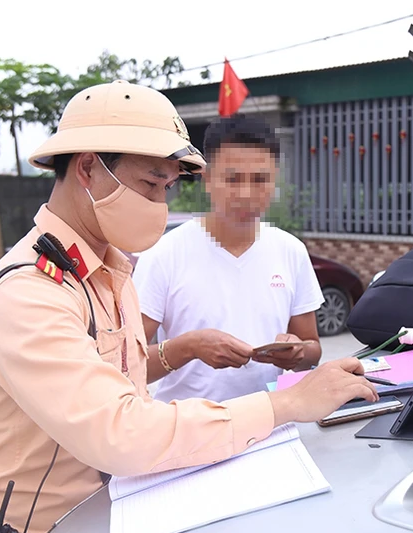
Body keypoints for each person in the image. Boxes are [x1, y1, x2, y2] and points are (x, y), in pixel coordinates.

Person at [0, 80, 378, 533]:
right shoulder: (29, 292)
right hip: (33, 532)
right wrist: (288, 403)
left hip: (122, 511)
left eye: (168, 188)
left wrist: (183, 350)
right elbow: (121, 434)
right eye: (151, 184)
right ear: (88, 168)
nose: (160, 205)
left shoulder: (109, 273)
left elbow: (126, 380)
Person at [133, 114, 325, 404]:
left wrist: (297, 352)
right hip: (187, 424)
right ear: (208, 180)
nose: (246, 194)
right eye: (232, 179)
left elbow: (312, 350)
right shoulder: (164, 254)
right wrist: (189, 347)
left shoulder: (291, 251)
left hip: (272, 421)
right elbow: (127, 365)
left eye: (260, 180)